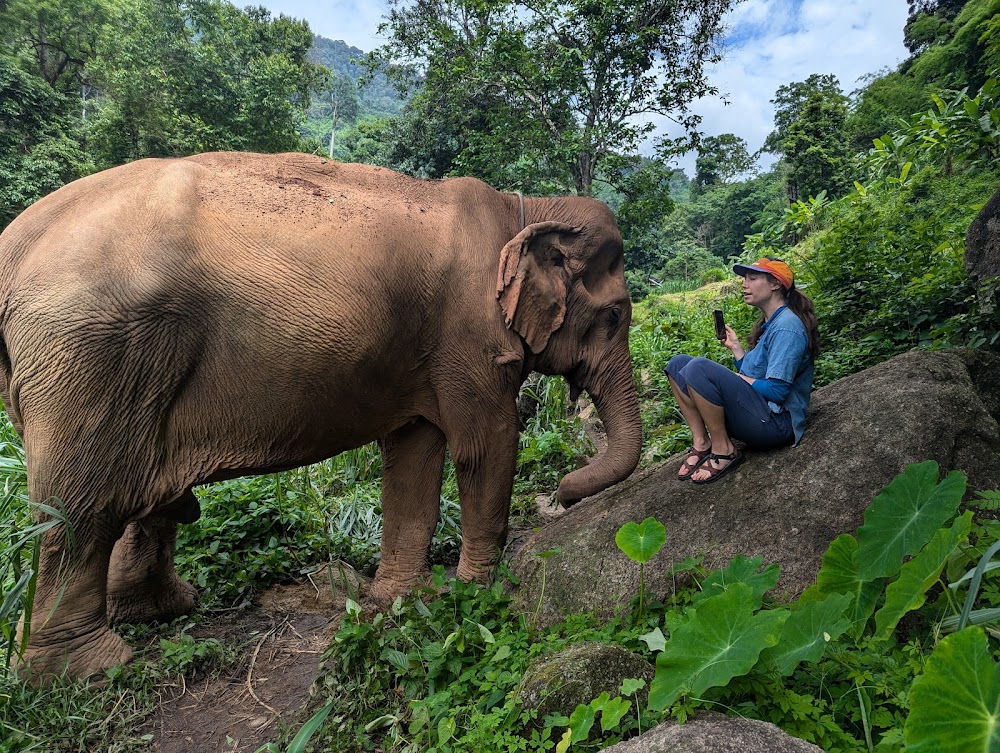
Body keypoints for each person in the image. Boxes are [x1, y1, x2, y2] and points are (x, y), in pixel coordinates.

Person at [664, 257, 819, 484]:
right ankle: (702, 443)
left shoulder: (787, 327)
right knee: (677, 364)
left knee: (699, 368)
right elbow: (756, 375)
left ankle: (724, 450)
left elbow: (777, 391)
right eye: (744, 279)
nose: (744, 284)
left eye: (752, 278)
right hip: (758, 412)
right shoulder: (770, 324)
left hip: (776, 425)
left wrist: (735, 378)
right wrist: (736, 349)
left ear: (775, 284)